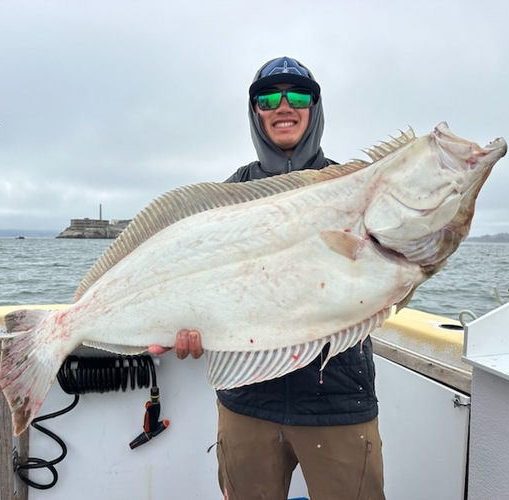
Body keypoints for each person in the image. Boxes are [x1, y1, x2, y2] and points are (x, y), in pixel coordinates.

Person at [151, 56, 385, 500]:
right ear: (255, 112)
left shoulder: (354, 187)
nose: (283, 106)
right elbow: (203, 280)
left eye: (298, 96)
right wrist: (185, 324)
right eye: (268, 98)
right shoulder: (230, 195)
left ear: (314, 109)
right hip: (247, 401)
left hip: (336, 399)